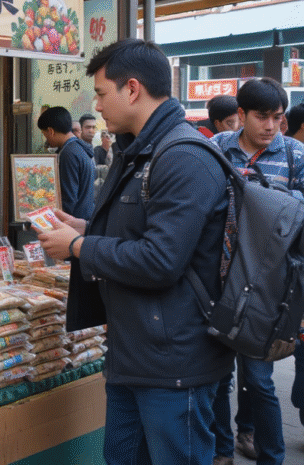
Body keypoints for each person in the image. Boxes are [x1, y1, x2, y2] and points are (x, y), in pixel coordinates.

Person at [37, 39, 234, 465]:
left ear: (132, 89)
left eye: (102, 93)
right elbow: (143, 230)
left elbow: (161, 260)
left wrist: (78, 246)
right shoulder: (138, 149)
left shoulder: (183, 156)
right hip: (136, 350)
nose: (97, 106)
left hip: (175, 362)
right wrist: (85, 228)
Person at [209, 78, 304, 465]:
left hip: (267, 290)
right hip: (216, 281)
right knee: (216, 380)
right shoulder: (215, 149)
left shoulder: (295, 155)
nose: (270, 126)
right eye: (261, 117)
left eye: (277, 118)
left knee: (261, 383)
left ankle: (271, 456)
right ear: (241, 116)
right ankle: (220, 451)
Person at [37, 107, 95, 220]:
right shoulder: (79, 147)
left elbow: (68, 198)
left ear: (51, 131)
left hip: (74, 224)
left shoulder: (68, 153)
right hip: (84, 218)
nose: (47, 140)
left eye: (45, 135)